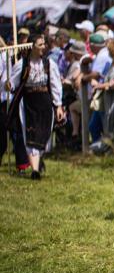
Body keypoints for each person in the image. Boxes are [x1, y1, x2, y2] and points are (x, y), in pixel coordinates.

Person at [9, 34, 64, 179]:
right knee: (31, 133)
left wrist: (58, 105)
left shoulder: (49, 64)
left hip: (45, 103)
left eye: (44, 44)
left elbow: (55, 84)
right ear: (32, 46)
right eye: (40, 44)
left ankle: (38, 161)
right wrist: (8, 85)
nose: (43, 47)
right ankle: (35, 171)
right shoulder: (22, 64)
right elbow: (12, 83)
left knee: (43, 134)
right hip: (29, 103)